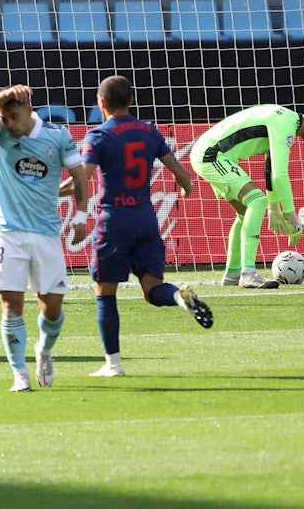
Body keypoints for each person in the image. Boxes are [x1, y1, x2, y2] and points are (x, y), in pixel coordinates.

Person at [67, 76, 213, 379]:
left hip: (114, 222)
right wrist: (186, 187)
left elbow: (82, 179)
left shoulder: (98, 135)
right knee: (153, 290)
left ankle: (114, 364)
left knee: (105, 292)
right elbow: (180, 172)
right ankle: (178, 296)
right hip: (147, 220)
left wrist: (49, 191)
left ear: (101, 102)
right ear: (131, 100)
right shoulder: (149, 131)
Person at [0, 84, 91, 392]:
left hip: (46, 234)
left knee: (51, 307)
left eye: (14, 117)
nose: (10, 125)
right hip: (9, 233)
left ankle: (44, 350)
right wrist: (4, 95)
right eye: (5, 118)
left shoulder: (57, 135)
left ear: (29, 110)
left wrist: (80, 216)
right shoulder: (0, 135)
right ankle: (19, 374)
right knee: (11, 303)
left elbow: (80, 175)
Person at [188, 102, 304, 289]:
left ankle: (233, 273)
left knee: (245, 213)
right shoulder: (285, 124)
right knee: (257, 200)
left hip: (212, 154)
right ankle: (248, 274)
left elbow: (270, 168)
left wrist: (274, 208)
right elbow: (280, 174)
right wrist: (291, 216)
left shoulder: (285, 120)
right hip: (211, 155)